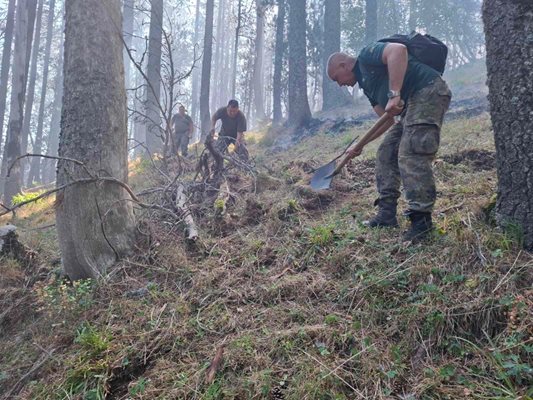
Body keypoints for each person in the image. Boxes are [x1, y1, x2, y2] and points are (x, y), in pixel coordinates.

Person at [327, 41, 452, 242]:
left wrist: (394, 93)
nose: (339, 84)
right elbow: (387, 120)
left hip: (427, 91)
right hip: (409, 108)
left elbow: (398, 50)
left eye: (336, 78)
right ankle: (386, 215)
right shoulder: (367, 86)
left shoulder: (366, 55)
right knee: (386, 153)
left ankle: (422, 223)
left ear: (344, 65)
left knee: (411, 153)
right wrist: (359, 145)